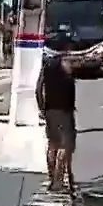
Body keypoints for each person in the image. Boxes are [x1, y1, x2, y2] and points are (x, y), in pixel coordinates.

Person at [36, 53, 77, 192]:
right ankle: (58, 180)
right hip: (65, 111)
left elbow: (38, 89)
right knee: (65, 146)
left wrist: (42, 108)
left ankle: (52, 177)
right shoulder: (67, 64)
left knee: (52, 144)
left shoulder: (47, 67)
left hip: (50, 111)